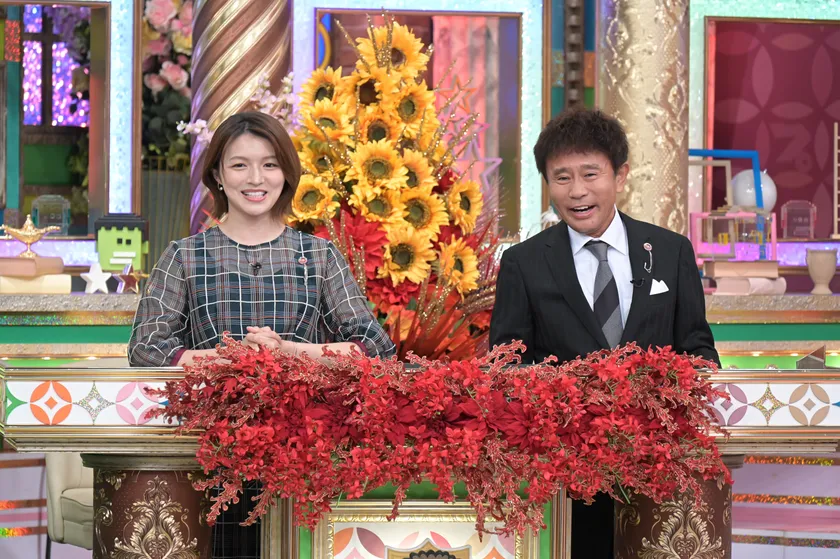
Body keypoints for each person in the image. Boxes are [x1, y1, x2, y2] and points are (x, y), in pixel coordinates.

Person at [128, 111, 396, 559]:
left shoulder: (319, 256)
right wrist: (229, 360)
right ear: (218, 174)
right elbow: (145, 348)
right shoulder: (184, 256)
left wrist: (288, 351)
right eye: (240, 165)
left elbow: (375, 350)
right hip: (207, 453)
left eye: (269, 164)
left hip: (305, 453)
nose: (256, 178)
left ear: (286, 173)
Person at [489, 108, 719, 559]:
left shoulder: (669, 251)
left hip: (658, 469)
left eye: (590, 174)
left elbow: (698, 350)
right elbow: (506, 364)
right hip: (565, 476)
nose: (577, 191)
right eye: (562, 178)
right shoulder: (524, 263)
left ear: (621, 175)